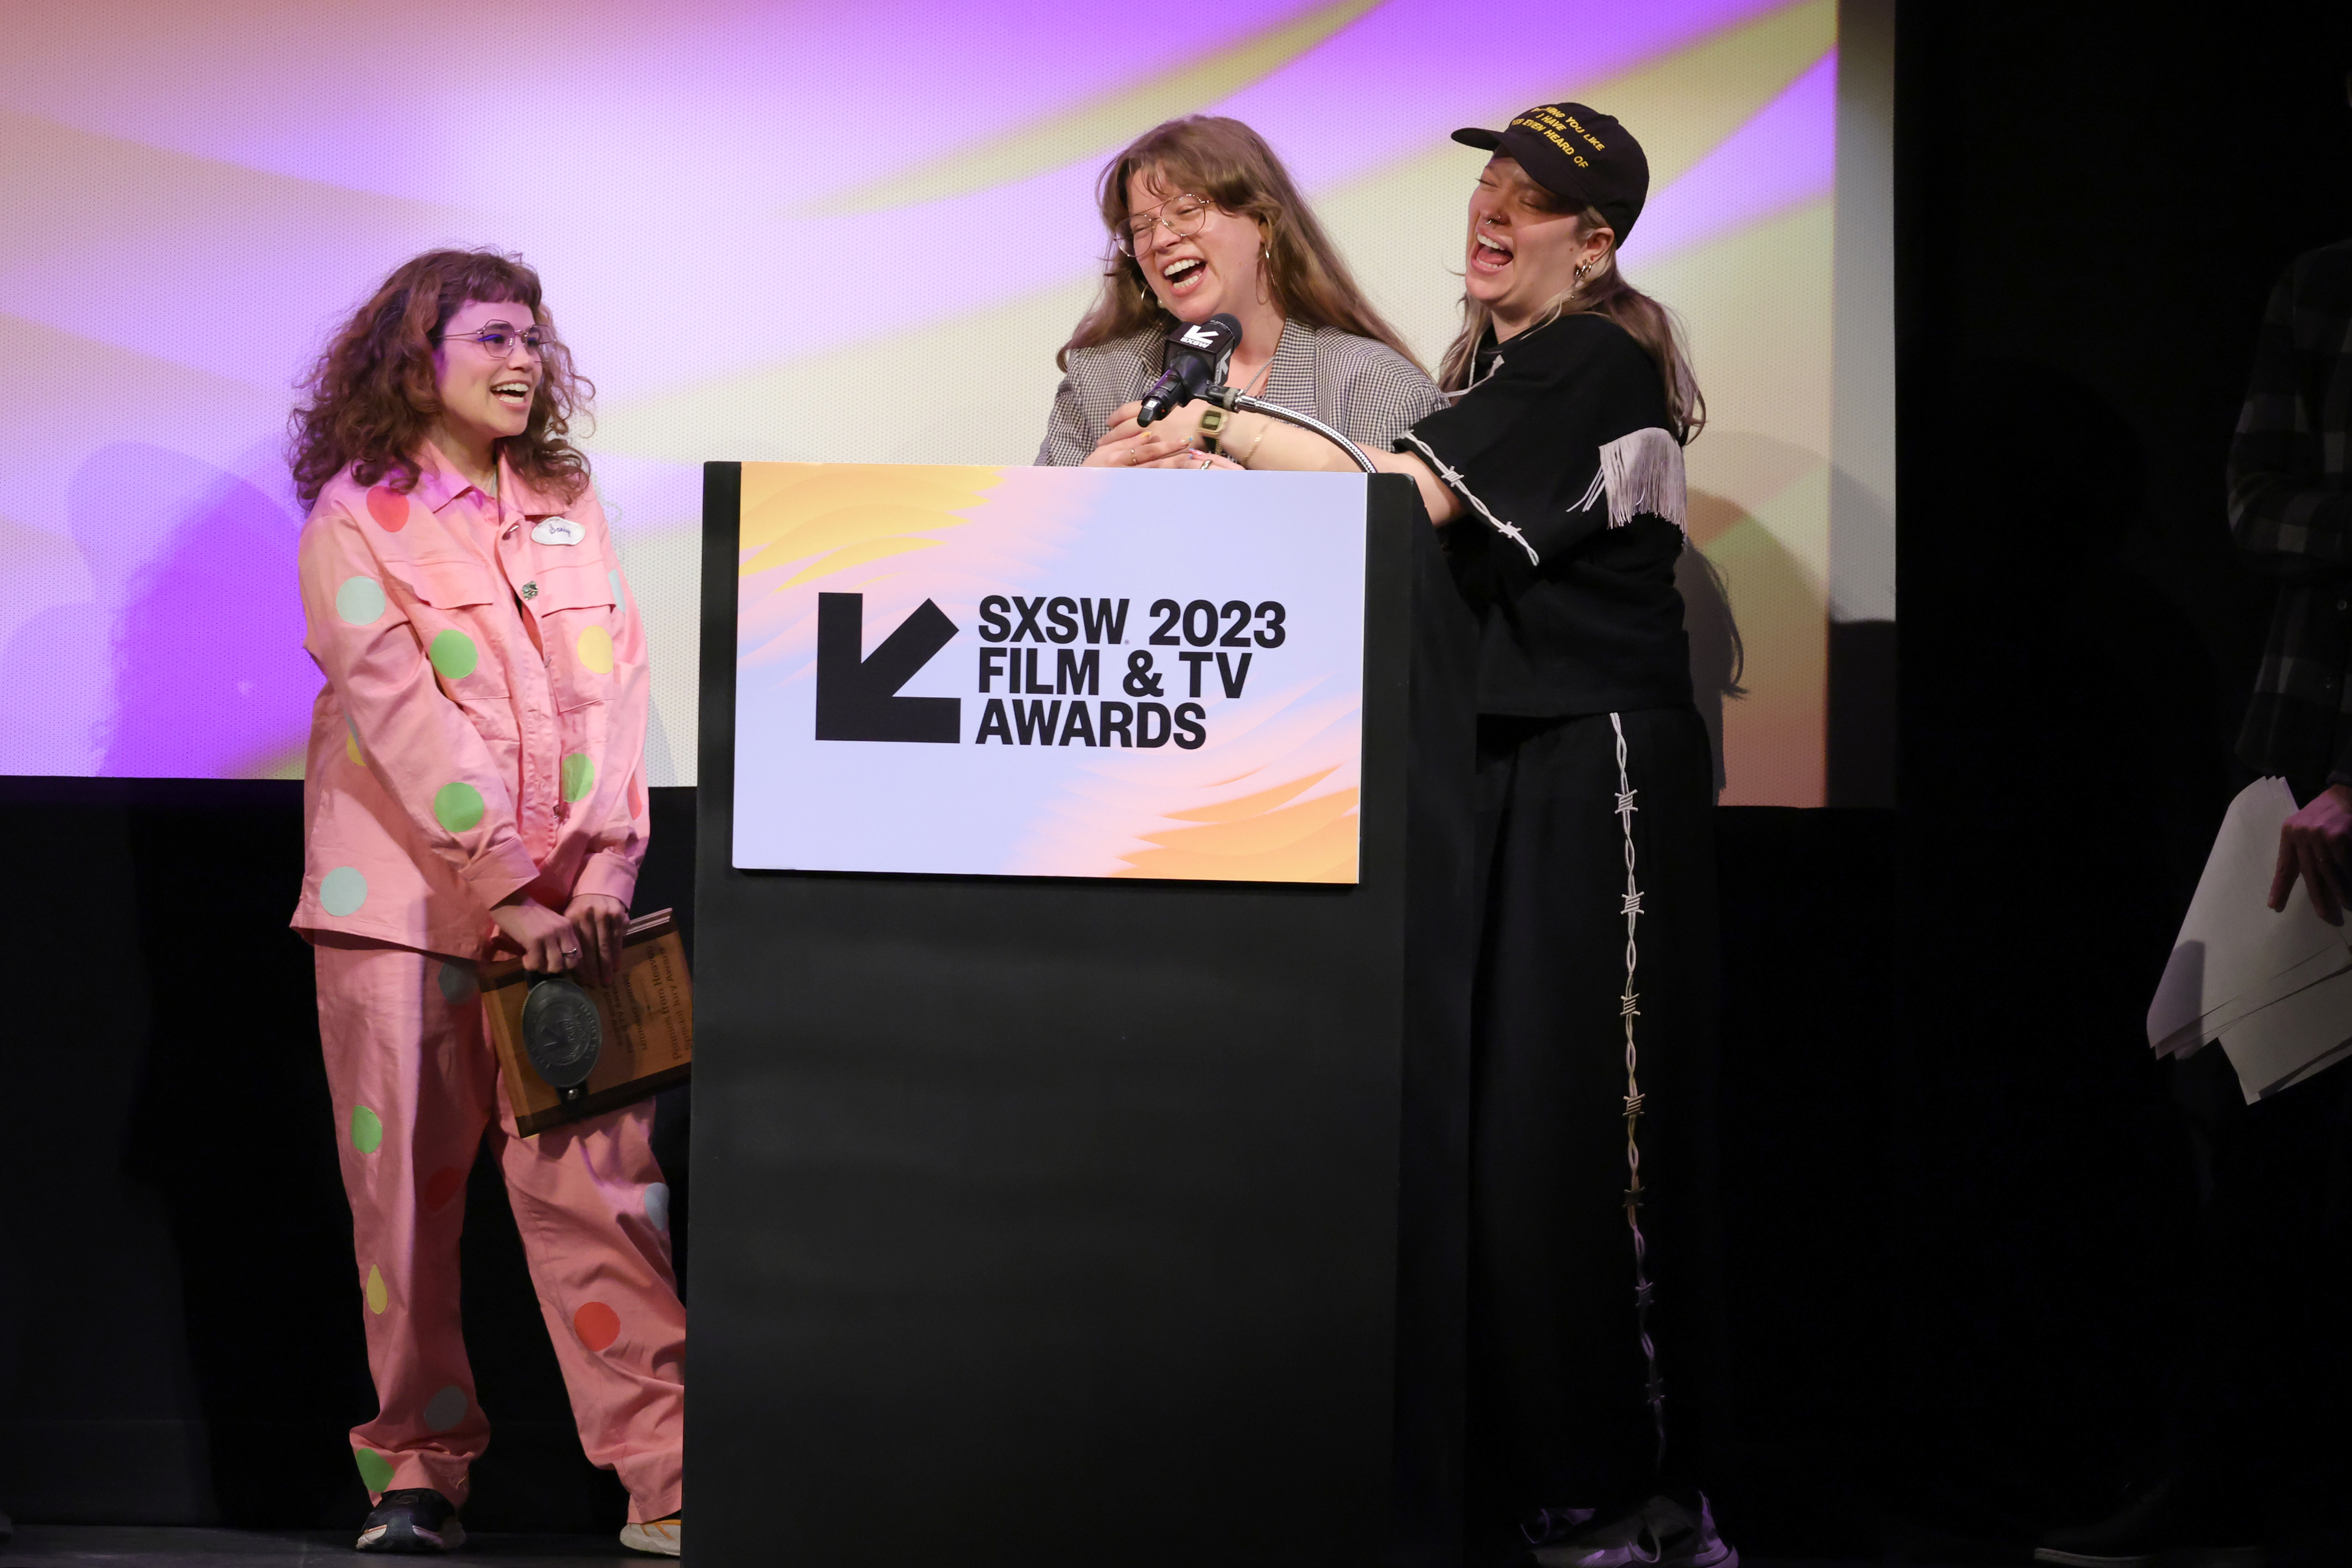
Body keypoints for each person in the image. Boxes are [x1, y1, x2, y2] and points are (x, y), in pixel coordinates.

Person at [1119, 104, 1734, 1567]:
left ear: (1594, 243)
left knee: (1597, 1143)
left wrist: (1204, 424)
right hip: (1497, 774)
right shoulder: (1497, 361)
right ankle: (1567, 1482)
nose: (1491, 214)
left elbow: (1400, 497)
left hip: (1599, 777)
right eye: (1488, 187)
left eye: (1532, 201)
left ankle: (1651, 1500)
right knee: (1520, 1150)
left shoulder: (1592, 351)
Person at [286, 248, 684, 1557]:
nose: (525, 360)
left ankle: (666, 1478)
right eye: (494, 338)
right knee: (405, 1198)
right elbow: (403, 715)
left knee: (605, 1197)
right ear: (418, 357)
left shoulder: (565, 493)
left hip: (572, 909)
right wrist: (504, 883)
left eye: (535, 337)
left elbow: (616, 681)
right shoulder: (357, 514)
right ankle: (415, 1470)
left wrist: (604, 870)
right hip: (403, 908)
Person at [1037, 114, 1445, 469]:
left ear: (1263, 223)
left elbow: (1387, 549)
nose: (1160, 241)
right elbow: (1028, 536)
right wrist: (1086, 488)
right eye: (1141, 228)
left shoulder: (1372, 384)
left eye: (1186, 211)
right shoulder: (1102, 377)